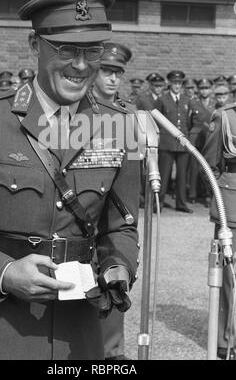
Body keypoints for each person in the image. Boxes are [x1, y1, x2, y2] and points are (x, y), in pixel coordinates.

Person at [0, 0, 140, 360]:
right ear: (35, 45)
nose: (81, 65)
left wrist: (118, 266)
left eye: (92, 50)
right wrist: (3, 271)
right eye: (66, 49)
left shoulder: (121, 127)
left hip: (77, 334)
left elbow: (122, 226)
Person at [91, 41, 132, 361]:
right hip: (79, 210)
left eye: (118, 73)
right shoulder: (73, 114)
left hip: (111, 210)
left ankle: (111, 353)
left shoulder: (125, 118)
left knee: (113, 278)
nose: (113, 79)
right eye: (107, 71)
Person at [202, 98, 236, 360]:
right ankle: (225, 340)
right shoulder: (225, 118)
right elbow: (208, 165)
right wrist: (221, 197)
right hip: (233, 204)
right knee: (228, 275)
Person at [155, 70, 192, 212]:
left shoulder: (186, 100)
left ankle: (181, 204)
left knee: (182, 176)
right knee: (163, 175)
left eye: (180, 83)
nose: (177, 85)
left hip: (182, 143)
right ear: (169, 83)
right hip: (166, 142)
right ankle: (158, 204)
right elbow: (156, 119)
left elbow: (188, 122)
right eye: (174, 83)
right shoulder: (162, 100)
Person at [188, 78, 215, 205]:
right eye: (202, 89)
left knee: (209, 166)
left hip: (210, 138)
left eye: (207, 88)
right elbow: (188, 122)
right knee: (194, 167)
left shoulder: (215, 103)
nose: (204, 91)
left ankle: (209, 194)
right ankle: (192, 194)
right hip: (196, 137)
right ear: (198, 90)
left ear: (211, 89)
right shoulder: (193, 102)